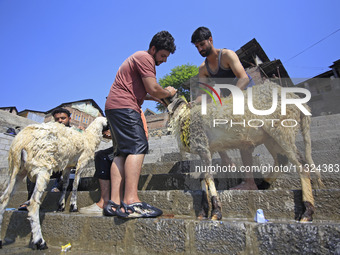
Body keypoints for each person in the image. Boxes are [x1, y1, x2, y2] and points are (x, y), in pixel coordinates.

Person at [103, 31, 177, 218]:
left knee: (121, 152)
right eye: (162, 56)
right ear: (153, 49)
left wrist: (158, 98)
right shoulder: (145, 58)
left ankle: (114, 203)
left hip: (114, 106)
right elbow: (153, 88)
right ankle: (131, 201)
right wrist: (167, 93)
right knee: (138, 146)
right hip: (125, 106)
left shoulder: (137, 58)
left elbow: (144, 92)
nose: (164, 60)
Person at [191, 26, 257, 190]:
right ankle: (227, 160)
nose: (200, 49)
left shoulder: (227, 55)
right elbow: (203, 94)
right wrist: (193, 104)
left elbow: (244, 79)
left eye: (202, 44)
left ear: (210, 40)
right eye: (197, 47)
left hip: (246, 94)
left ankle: (250, 182)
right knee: (208, 122)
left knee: (242, 135)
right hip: (228, 101)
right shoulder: (203, 68)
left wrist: (227, 101)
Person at [18, 108, 79, 210]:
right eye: (57, 119)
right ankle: (30, 200)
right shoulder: (49, 131)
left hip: (66, 166)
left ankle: (58, 188)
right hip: (50, 165)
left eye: (63, 118)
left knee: (71, 171)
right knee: (33, 170)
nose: (60, 121)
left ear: (69, 119)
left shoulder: (75, 132)